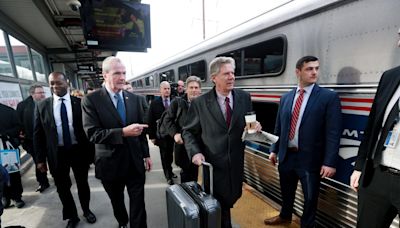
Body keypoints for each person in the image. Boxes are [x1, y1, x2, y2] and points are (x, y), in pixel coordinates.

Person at [182, 56, 261, 228]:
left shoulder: (244, 97)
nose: (232, 77)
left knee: (232, 198)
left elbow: (250, 128)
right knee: (220, 205)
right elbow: (188, 132)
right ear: (214, 78)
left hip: (236, 163)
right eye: (226, 73)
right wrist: (195, 152)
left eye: (233, 73)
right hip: (213, 165)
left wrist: (255, 128)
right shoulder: (200, 103)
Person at [264, 56, 342, 228]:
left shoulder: (328, 97)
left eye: (317, 68)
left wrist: (329, 162)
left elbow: (333, 133)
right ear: (298, 72)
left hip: (310, 159)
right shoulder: (286, 98)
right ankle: (285, 217)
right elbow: (279, 128)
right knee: (286, 191)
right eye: (309, 69)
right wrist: (274, 149)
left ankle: (307, 225)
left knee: (310, 197)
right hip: (287, 156)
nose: (314, 72)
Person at [81, 56, 152, 228]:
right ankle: (122, 222)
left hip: (134, 162)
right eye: (117, 73)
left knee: (138, 203)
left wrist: (146, 154)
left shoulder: (134, 99)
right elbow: (92, 134)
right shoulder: (91, 100)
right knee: (117, 201)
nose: (122, 77)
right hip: (110, 164)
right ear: (105, 75)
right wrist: (123, 132)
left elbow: (141, 131)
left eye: (124, 73)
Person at [350, 28, 400, 228]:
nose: (398, 44)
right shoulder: (390, 77)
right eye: (399, 36)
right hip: (376, 175)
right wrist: (360, 166)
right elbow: (372, 124)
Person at [34, 72, 96, 228]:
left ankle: (86, 210)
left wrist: (93, 155)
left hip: (78, 151)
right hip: (57, 154)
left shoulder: (80, 103)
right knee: (62, 187)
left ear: (67, 83)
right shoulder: (42, 106)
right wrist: (40, 159)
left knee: (83, 183)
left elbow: (88, 129)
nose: (55, 86)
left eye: (58, 83)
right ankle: (72, 216)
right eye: (52, 83)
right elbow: (38, 134)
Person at [163, 76, 201, 183]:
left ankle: (195, 196)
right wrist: (175, 134)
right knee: (186, 174)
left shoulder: (204, 104)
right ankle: (187, 196)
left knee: (196, 173)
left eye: (196, 87)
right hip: (183, 145)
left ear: (200, 90)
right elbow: (167, 120)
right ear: (186, 89)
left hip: (199, 145)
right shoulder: (177, 103)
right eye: (191, 87)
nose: (194, 90)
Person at [16, 84, 50, 193]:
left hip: (48, 139)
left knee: (53, 159)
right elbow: (19, 122)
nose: (43, 95)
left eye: (43, 92)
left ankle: (56, 176)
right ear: (32, 94)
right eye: (40, 93)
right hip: (32, 140)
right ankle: (43, 182)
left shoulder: (48, 103)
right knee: (38, 161)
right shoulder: (23, 106)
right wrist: (22, 135)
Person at [148, 81, 176, 185]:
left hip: (173, 134)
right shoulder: (155, 103)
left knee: (171, 155)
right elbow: (150, 120)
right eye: (165, 89)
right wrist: (152, 136)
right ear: (160, 90)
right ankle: (168, 176)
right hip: (161, 135)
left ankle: (170, 171)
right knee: (164, 155)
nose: (167, 90)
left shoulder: (175, 101)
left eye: (168, 88)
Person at [0, 102, 24, 210]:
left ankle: (17, 197)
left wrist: (5, 133)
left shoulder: (8, 111)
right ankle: (5, 197)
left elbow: (18, 126)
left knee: (13, 172)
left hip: (8, 147)